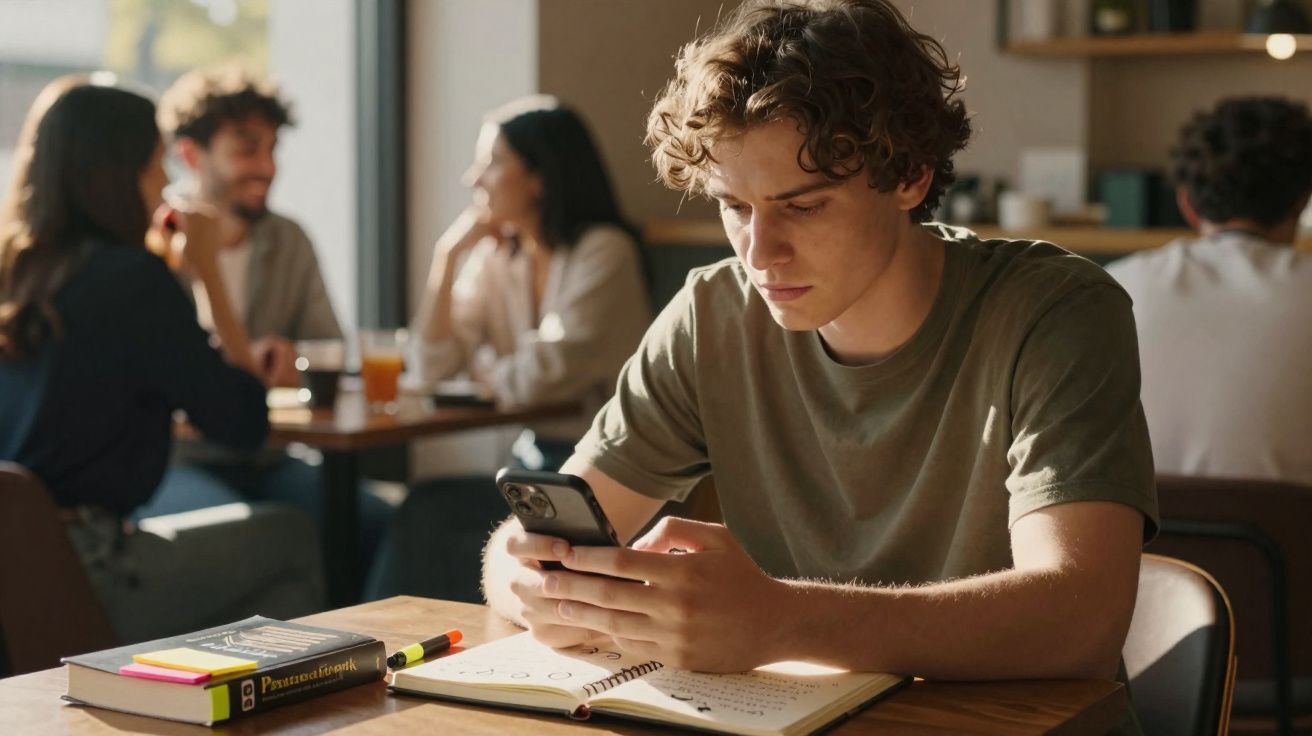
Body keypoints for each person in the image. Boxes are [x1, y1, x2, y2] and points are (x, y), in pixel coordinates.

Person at [481, 2, 1157, 733]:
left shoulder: (1055, 313)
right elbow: (534, 544)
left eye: (801, 207)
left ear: (910, 177)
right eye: (734, 206)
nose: (758, 252)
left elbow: (1080, 622)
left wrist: (783, 622)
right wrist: (533, 583)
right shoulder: (712, 315)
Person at [0, 76, 323, 643]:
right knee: (292, 538)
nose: (166, 182)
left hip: (17, 573)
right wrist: (209, 276)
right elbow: (245, 422)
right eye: (156, 165)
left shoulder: (18, 275)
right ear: (119, 174)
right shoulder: (133, 281)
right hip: (91, 569)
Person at [365, 96, 650, 601]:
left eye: (492, 163)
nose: (473, 179)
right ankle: (387, 656)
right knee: (424, 509)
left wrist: (488, 366)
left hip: (605, 471)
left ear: (539, 177)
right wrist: (446, 257)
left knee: (444, 522)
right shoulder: (500, 257)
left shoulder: (604, 252)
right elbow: (431, 366)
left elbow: (541, 375)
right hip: (534, 466)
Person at [139, 66, 392, 565]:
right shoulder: (152, 243)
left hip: (268, 455)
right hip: (176, 462)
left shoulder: (288, 241)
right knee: (257, 539)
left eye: (273, 149)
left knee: (381, 526)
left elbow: (330, 349)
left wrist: (290, 356)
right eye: (246, 149)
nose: (268, 167)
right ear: (191, 155)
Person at [1107, 96, 1312, 486]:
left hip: (1137, 543)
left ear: (1187, 204)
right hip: (1288, 543)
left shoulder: (1112, 286)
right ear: (1302, 201)